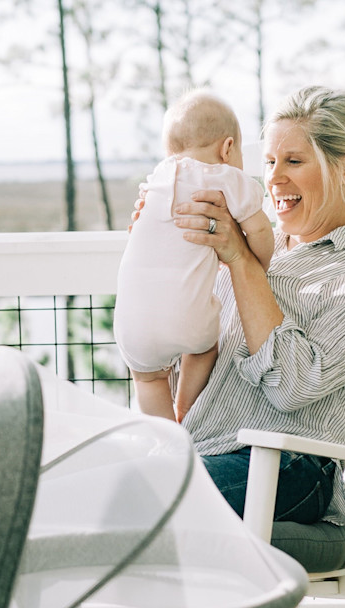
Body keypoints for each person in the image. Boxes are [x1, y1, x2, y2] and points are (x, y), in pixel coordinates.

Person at [166, 85, 345, 528]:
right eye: (268, 162)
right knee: (97, 481)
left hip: (290, 470)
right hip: (202, 451)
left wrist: (244, 263)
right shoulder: (242, 244)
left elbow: (292, 387)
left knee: (142, 498)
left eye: (294, 161)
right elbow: (179, 377)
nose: (274, 178)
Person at [113, 90, 275, 423]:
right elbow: (259, 230)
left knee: (149, 379)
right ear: (227, 148)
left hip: (131, 322)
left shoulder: (156, 179)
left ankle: (166, 435)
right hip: (187, 320)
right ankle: (186, 412)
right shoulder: (226, 178)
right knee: (203, 348)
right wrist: (258, 261)